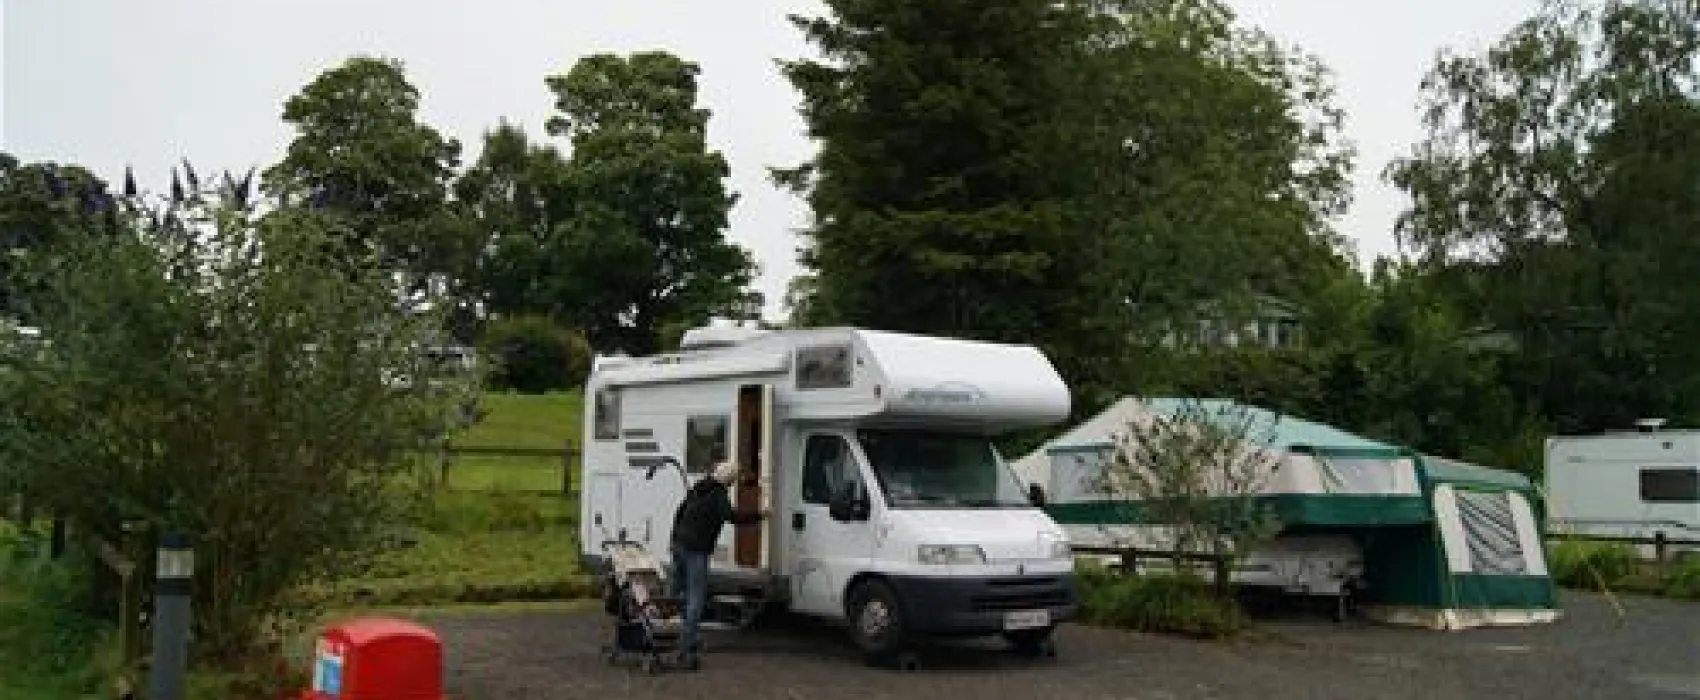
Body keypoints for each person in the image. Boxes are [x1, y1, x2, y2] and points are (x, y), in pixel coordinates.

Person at [668, 460, 765, 667]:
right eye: (733, 479)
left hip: (679, 545)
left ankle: (689, 638)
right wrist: (760, 515)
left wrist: (674, 539)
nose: (733, 483)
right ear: (728, 479)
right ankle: (686, 646)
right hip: (696, 550)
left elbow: (679, 512)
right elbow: (732, 517)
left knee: (684, 594)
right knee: (696, 597)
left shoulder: (699, 487)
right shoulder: (718, 494)